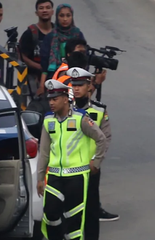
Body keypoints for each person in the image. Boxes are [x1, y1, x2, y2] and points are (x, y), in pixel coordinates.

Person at [37, 79, 107, 240]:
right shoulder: (48, 120)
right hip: (54, 176)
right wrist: (40, 178)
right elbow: (44, 152)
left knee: (74, 220)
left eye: (55, 99)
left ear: (64, 99)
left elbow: (101, 139)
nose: (51, 103)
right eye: (50, 99)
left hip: (76, 178)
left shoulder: (81, 118)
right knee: (50, 215)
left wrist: (96, 162)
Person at [67, 67, 118, 235]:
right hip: (67, 168)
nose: (76, 88)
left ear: (89, 86)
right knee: (68, 211)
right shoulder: (65, 110)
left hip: (90, 168)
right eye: (74, 85)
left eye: (80, 85)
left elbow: (106, 137)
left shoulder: (99, 110)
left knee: (90, 211)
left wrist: (96, 162)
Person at [18, 0, 54, 98]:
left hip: (54, 77)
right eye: (41, 8)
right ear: (36, 13)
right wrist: (38, 66)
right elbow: (21, 55)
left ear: (52, 12)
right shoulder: (30, 33)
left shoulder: (58, 33)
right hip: (34, 79)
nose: (45, 10)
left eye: (48, 8)